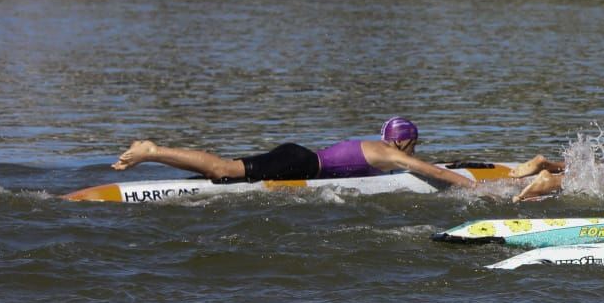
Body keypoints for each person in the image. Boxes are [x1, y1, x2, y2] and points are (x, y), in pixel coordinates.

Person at [110, 117, 480, 189]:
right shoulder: (392, 154)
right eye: (415, 145)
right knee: (222, 170)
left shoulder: (377, 147)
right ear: (403, 142)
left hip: (298, 158)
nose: (415, 152)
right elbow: (436, 173)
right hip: (300, 163)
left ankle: (156, 156)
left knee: (223, 176)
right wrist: (473, 186)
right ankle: (151, 150)